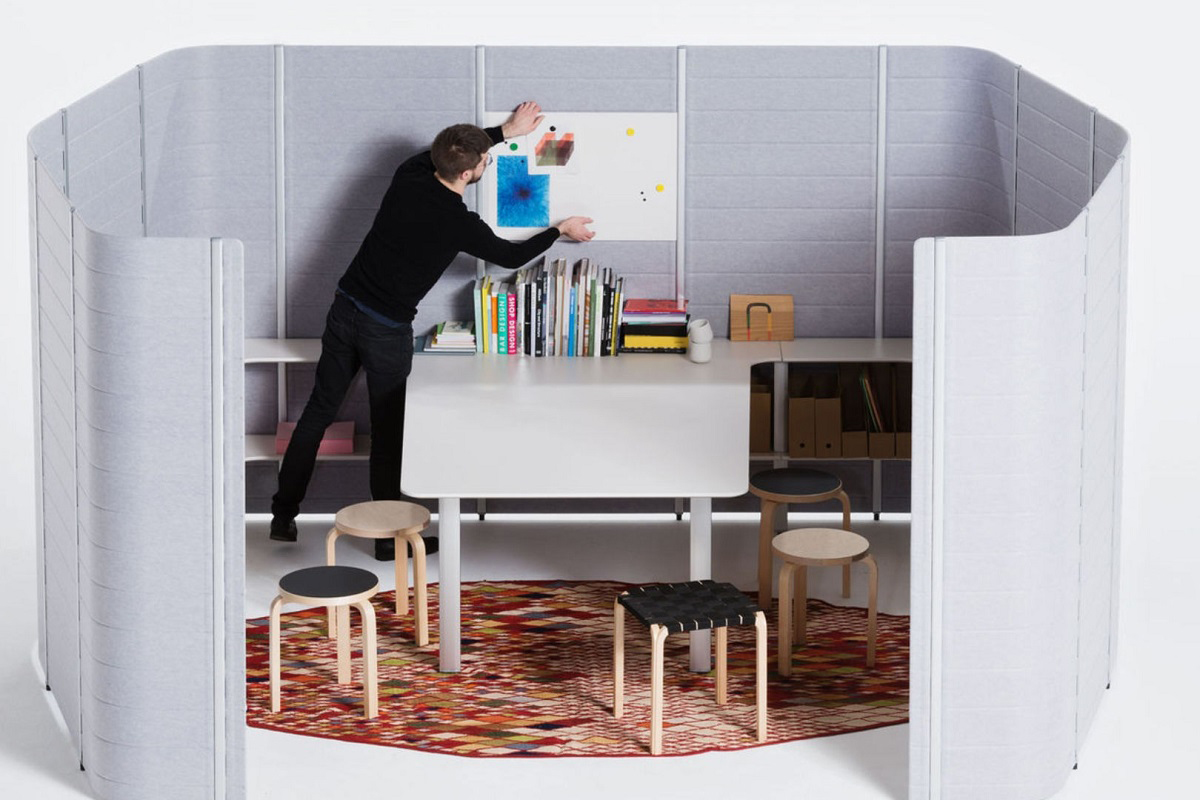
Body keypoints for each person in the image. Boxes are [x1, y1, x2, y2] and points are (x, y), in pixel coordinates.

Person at [269, 101, 594, 560]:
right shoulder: (458, 223)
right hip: (385, 331)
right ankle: (387, 541)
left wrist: (504, 132)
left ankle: (282, 516)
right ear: (466, 174)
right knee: (387, 435)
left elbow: (445, 153)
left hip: (344, 309)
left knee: (317, 413)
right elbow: (510, 257)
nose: (488, 163)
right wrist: (558, 229)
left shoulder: (409, 176)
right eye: (485, 161)